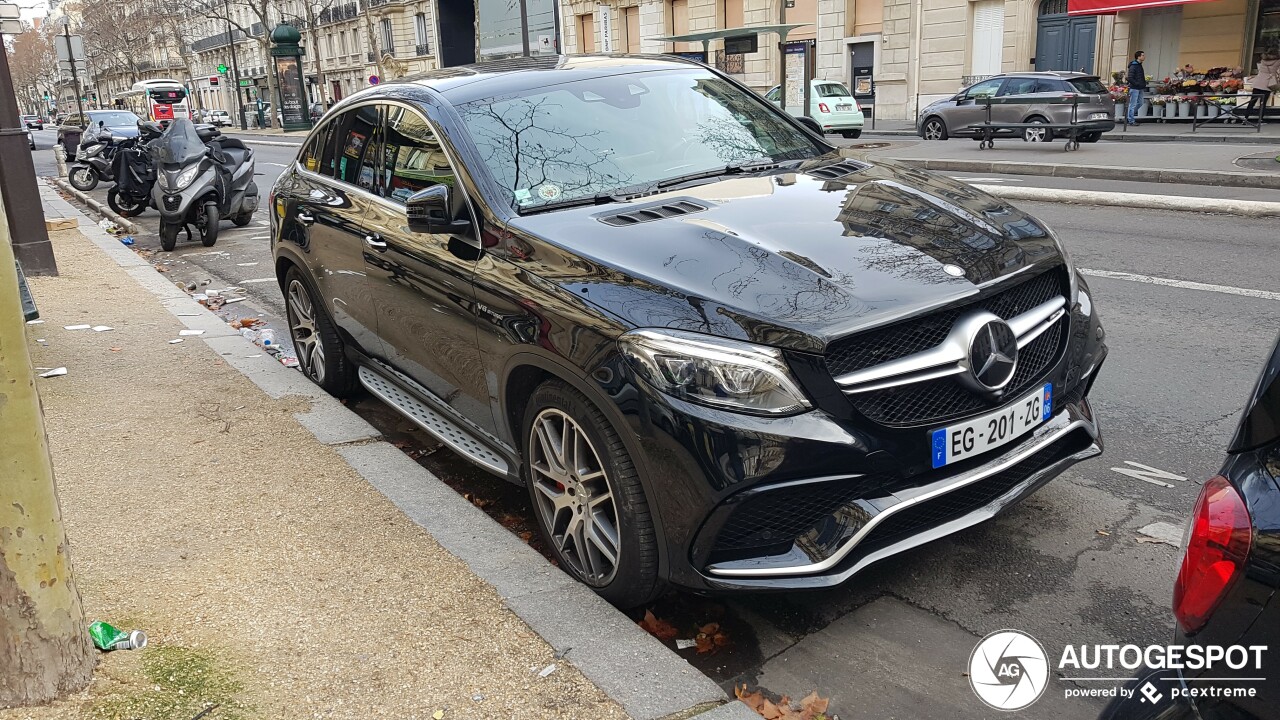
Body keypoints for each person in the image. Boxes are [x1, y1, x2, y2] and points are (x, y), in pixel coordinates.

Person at [1252, 48, 1279, 124]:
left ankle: (1245, 118)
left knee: (1252, 101)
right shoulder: (1278, 61)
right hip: (1267, 84)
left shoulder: (1263, 60)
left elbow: (1260, 69)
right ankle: (1260, 119)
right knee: (1263, 103)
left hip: (1258, 82)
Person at [1126, 51, 1149, 126]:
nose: (1144, 56)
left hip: (1140, 87)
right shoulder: (1134, 66)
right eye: (1142, 55)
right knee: (1132, 104)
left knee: (1140, 102)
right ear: (1138, 57)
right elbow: (1130, 78)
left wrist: (1143, 84)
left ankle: (1129, 115)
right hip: (1134, 88)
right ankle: (1131, 120)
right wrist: (1137, 84)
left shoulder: (1139, 65)